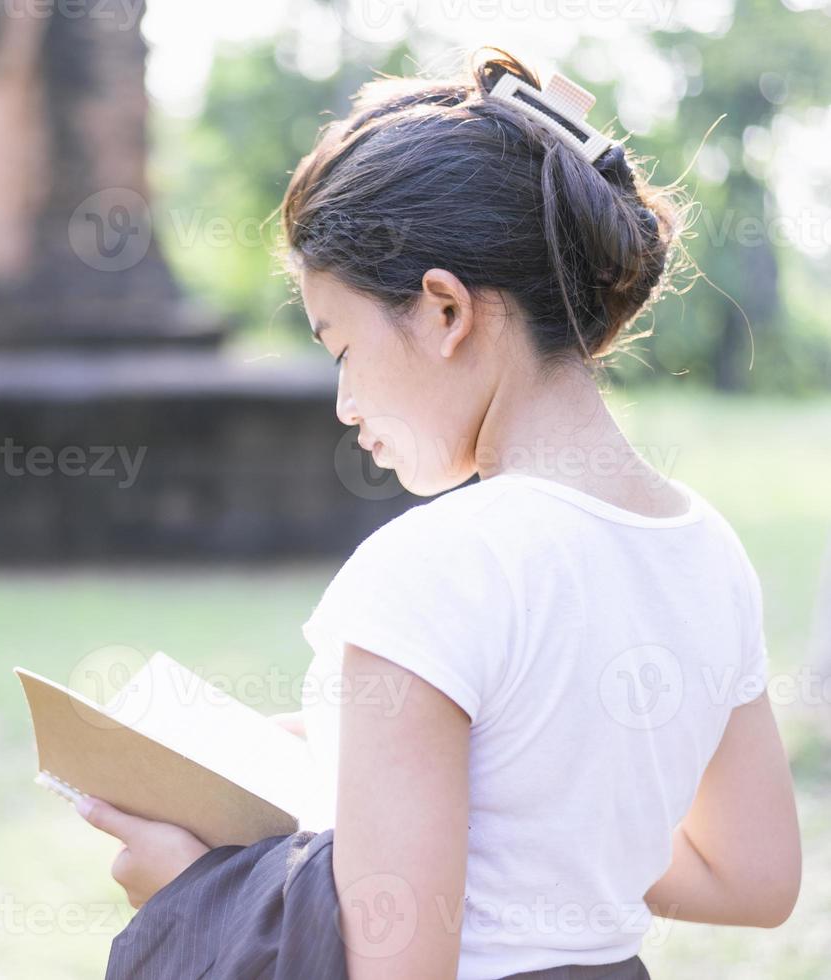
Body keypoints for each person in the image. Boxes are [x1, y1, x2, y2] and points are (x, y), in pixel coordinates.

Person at [76, 48, 802, 979]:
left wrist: (192, 888)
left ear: (443, 311)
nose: (343, 404)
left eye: (340, 346)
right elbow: (752, 878)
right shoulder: (706, 551)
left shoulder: (432, 567)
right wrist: (519, 817)